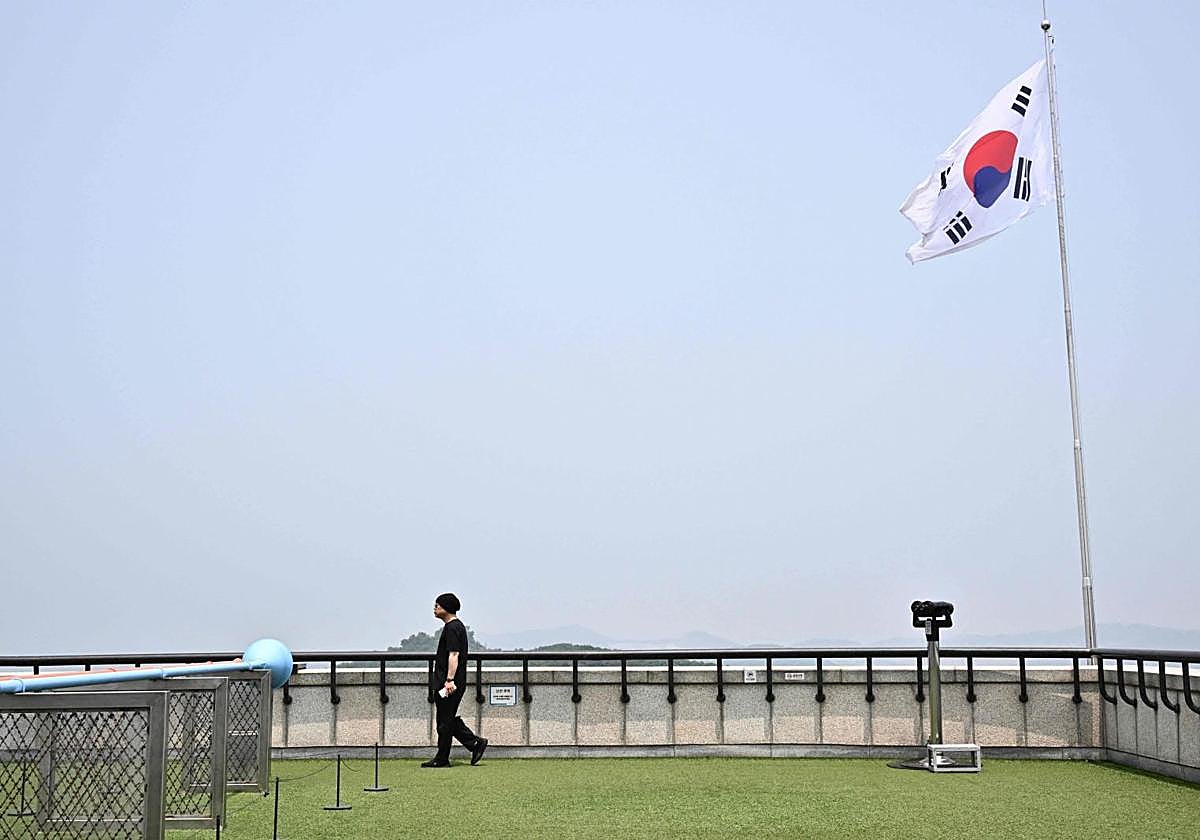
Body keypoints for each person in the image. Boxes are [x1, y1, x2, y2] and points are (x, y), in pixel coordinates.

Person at [421, 592, 488, 768]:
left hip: (449, 683)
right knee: (447, 718)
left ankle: (444, 757)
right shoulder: (455, 627)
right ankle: (474, 744)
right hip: (450, 682)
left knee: (444, 721)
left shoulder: (452, 628)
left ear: (447, 607)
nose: (434, 608)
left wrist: (449, 680)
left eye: (438, 605)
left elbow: (454, 654)